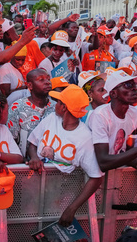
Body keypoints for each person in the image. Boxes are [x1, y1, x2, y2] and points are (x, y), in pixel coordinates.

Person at [27, 85, 103, 226]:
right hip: (33, 190)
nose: (55, 104)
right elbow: (32, 143)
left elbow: (96, 177)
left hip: (61, 195)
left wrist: (72, 208)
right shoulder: (52, 119)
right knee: (28, 225)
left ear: (64, 107)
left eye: (59, 101)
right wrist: (34, 158)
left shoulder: (84, 138)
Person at [7, 69, 55, 147]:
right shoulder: (17, 107)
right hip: (25, 157)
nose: (47, 82)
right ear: (30, 85)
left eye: (48, 79)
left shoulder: (56, 107)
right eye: (41, 80)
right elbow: (11, 140)